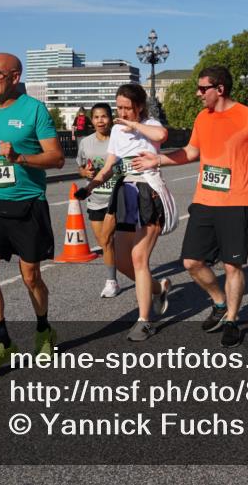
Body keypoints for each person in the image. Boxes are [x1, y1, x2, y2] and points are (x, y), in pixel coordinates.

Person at [130, 66, 248, 348]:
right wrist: (158, 160)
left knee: (232, 265)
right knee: (191, 262)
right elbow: (191, 152)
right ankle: (219, 301)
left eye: (203, 89)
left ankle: (232, 320)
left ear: (220, 89)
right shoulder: (203, 117)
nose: (198, 93)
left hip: (236, 201)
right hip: (204, 199)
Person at [0, 53, 65, 378]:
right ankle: (2, 342)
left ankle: (44, 330)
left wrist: (20, 157)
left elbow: (57, 158)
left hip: (29, 204)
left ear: (15, 77)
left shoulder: (34, 110)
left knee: (31, 276)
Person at [75, 84, 176, 341]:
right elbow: (109, 166)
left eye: (127, 108)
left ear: (139, 107)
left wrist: (136, 126)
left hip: (148, 191)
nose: (121, 112)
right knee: (121, 259)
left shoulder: (149, 124)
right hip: (125, 192)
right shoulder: (118, 130)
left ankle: (144, 321)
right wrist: (90, 187)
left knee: (139, 256)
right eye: (119, 107)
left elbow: (162, 135)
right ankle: (158, 289)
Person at [76, 103, 124, 298]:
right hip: (95, 198)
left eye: (104, 116)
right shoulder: (86, 142)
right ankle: (115, 277)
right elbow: (80, 167)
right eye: (96, 117)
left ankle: (111, 281)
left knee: (109, 240)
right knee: (104, 241)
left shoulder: (119, 140)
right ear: (91, 120)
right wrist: (84, 172)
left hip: (118, 197)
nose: (100, 120)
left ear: (110, 118)